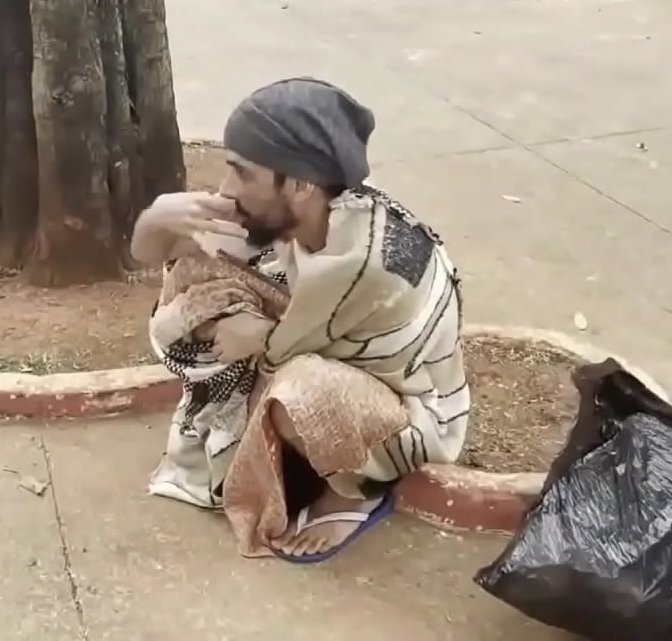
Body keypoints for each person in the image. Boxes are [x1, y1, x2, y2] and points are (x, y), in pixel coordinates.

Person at [133, 77, 469, 562]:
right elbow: (160, 255)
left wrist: (258, 334)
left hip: (412, 415)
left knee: (299, 391)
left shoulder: (360, 261)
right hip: (326, 346)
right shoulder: (303, 210)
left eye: (242, 173)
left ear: (299, 184)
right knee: (196, 271)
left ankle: (354, 493)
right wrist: (157, 216)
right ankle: (266, 439)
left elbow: (281, 360)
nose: (227, 189)